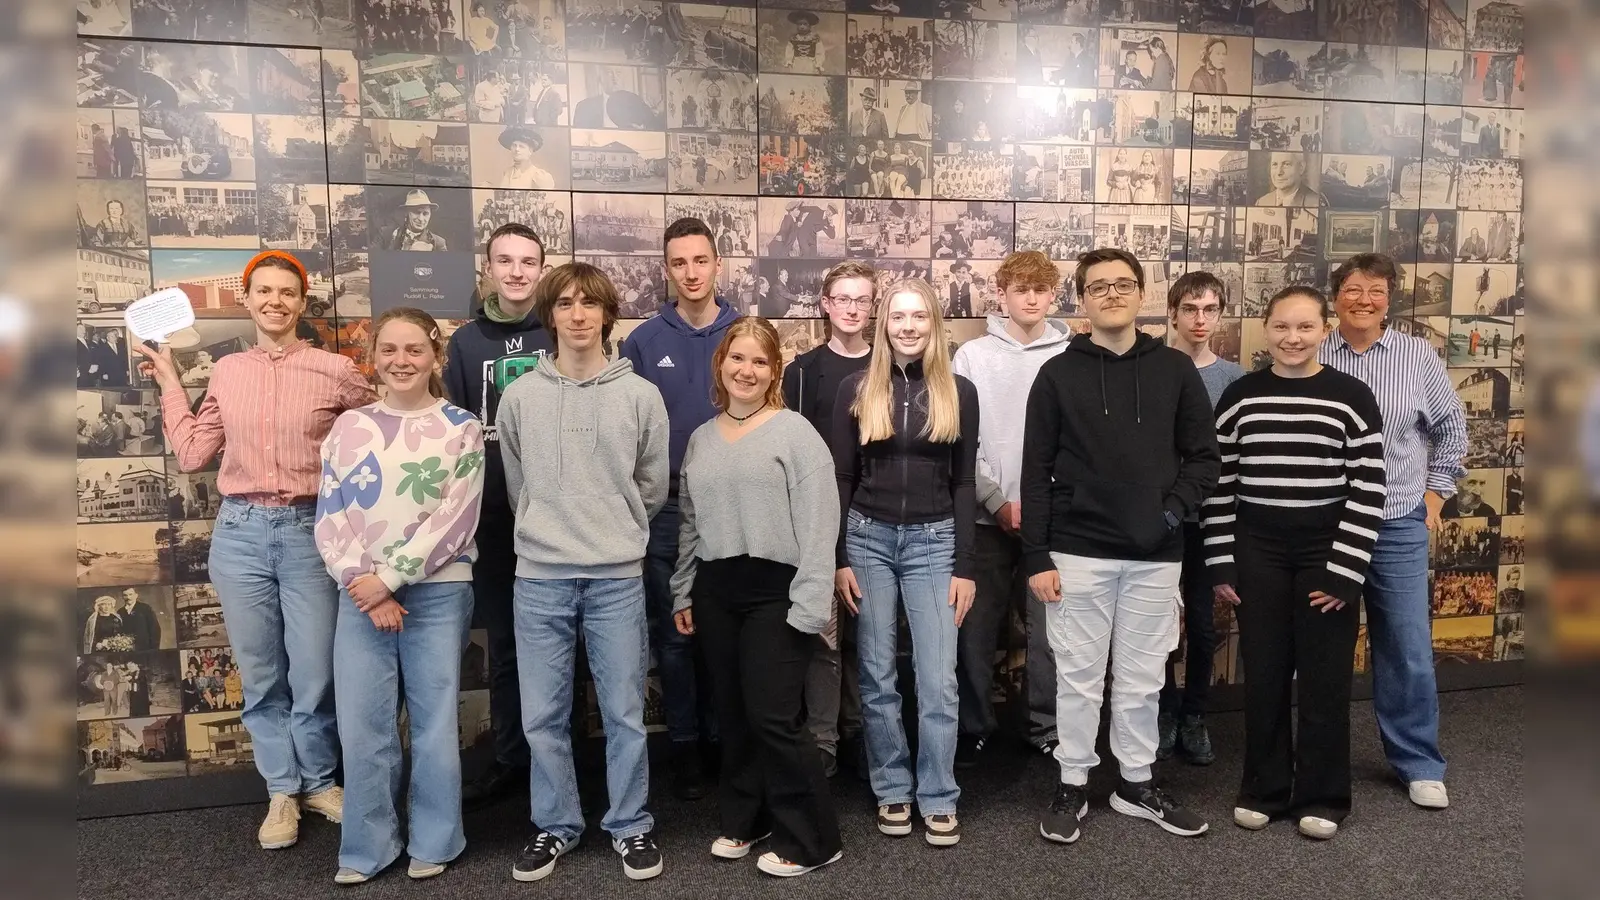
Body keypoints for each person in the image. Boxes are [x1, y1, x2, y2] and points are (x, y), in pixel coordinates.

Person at [132, 250, 377, 850]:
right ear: (247, 299)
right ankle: (281, 792)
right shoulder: (227, 371)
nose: (275, 301)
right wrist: (170, 383)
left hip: (308, 532)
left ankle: (320, 782)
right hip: (239, 535)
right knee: (264, 676)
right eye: (263, 291)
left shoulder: (335, 370)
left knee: (315, 673)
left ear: (302, 300)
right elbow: (192, 454)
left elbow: (380, 437)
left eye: (287, 292)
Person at [1022, 248, 1220, 845]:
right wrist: (1036, 556)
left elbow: (1204, 459)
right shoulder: (1057, 373)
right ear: (1081, 299)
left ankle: (1135, 783)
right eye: (1099, 286)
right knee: (1078, 677)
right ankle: (1073, 782)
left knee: (1142, 676)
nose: (1112, 294)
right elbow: (1034, 471)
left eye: (1124, 284)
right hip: (1077, 550)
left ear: (1141, 295)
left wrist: (1170, 511)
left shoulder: (1175, 371)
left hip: (1156, 552)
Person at [500, 263, 669, 884]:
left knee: (624, 712)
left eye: (590, 303)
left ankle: (630, 826)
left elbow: (650, 486)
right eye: (566, 303)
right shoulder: (520, 395)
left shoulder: (639, 395)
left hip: (616, 577)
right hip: (540, 576)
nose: (578, 314)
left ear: (606, 313)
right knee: (543, 715)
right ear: (549, 315)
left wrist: (608, 528)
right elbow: (519, 486)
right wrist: (553, 525)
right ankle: (557, 825)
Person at [1206, 285, 1386, 841]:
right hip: (1257, 546)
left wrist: (1345, 569)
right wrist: (1221, 563)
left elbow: (1369, 488)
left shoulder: (1352, 396)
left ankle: (1323, 795)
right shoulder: (1241, 396)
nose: (1292, 338)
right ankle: (1262, 788)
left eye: (1305, 327)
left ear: (1325, 331)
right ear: (1266, 329)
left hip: (1326, 547)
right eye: (1282, 326)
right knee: (1263, 672)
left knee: (1325, 677)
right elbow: (1219, 483)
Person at [317, 308, 486, 885]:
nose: (401, 361)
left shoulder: (461, 427)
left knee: (435, 722)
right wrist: (366, 585)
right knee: (364, 726)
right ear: (375, 358)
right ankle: (368, 847)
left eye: (414, 350)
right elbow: (329, 515)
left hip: (436, 594)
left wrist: (390, 580)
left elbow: (456, 519)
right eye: (389, 350)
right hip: (359, 595)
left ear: (435, 356)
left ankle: (437, 839)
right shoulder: (348, 428)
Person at [673, 318, 844, 878]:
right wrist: (684, 591)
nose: (746, 371)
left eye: (760, 362)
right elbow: (691, 523)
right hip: (717, 588)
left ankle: (814, 840)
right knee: (734, 713)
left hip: (778, 591)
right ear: (721, 363)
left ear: (774, 372)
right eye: (737, 359)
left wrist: (813, 602)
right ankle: (748, 819)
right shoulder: (701, 437)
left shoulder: (794, 433)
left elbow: (821, 524)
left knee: (775, 717)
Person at [834, 277, 978, 847]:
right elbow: (843, 476)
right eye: (898, 317)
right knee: (876, 674)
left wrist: (964, 563)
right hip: (866, 539)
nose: (909, 327)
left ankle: (938, 794)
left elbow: (964, 480)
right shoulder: (855, 386)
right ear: (883, 324)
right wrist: (841, 555)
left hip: (935, 542)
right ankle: (892, 787)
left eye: (920, 317)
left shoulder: (958, 391)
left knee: (938, 679)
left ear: (935, 324)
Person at [1320, 253, 1467, 810]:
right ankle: (1318, 758)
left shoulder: (1414, 356)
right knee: (1321, 645)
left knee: (1405, 645)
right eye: (1352, 289)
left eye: (1375, 290)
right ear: (1334, 297)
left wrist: (1434, 495)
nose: (1363, 300)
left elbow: (1452, 428)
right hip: (1325, 524)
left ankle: (1418, 762)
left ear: (1389, 298)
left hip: (1395, 519)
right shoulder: (1312, 351)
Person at [620, 217, 741, 801]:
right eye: (678, 263)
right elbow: (630, 433)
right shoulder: (643, 342)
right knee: (674, 632)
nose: (691, 273)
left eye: (700, 260)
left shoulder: (746, 331)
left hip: (733, 504)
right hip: (666, 506)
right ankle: (687, 744)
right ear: (666, 270)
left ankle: (725, 740)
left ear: (718, 263)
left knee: (725, 628)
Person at [443, 223, 553, 808]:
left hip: (554, 511)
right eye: (505, 261)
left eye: (527, 261)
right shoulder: (466, 343)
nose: (516, 271)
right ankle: (515, 757)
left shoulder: (560, 328)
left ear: (542, 267)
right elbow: (457, 434)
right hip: (491, 515)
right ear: (488, 267)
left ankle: (560, 759)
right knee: (508, 644)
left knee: (562, 642)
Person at [949, 251, 1073, 767]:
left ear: (1053, 296)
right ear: (1001, 293)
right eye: (1020, 288)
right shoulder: (972, 356)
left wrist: (1042, 504)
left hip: (1051, 523)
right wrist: (998, 502)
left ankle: (1045, 726)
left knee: (1051, 637)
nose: (1030, 298)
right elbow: (960, 441)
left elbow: (1077, 441)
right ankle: (976, 726)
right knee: (975, 633)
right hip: (985, 519)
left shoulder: (1071, 355)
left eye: (1040, 290)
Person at [782, 261, 876, 779]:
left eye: (861, 299)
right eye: (842, 298)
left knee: (866, 634)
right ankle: (823, 740)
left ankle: (859, 731)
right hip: (816, 517)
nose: (851, 308)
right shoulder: (801, 373)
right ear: (825, 304)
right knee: (822, 634)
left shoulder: (887, 366)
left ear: (872, 307)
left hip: (874, 515)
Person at [1158, 272, 1245, 765]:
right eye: (1190, 308)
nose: (1199, 319)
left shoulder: (1232, 378)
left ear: (1220, 314)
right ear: (1173, 312)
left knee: (1205, 626)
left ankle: (1195, 714)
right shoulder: (1157, 367)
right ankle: (1166, 711)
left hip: (1213, 521)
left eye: (1209, 309)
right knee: (1161, 626)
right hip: (1165, 518)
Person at [384, 190, 450, 251]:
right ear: (406, 213)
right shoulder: (387, 235)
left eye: (425, 213)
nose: (421, 219)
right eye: (416, 212)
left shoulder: (438, 243)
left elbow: (443, 263)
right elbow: (375, 260)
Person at [1255, 152, 1326, 207]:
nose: (1279, 172)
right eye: (1275, 164)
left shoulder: (1316, 202)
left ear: (1301, 167)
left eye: (1286, 164)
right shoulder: (1262, 202)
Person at [118, 587, 161, 652]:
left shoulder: (145, 608)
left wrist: (154, 648)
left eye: (130, 594)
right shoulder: (120, 612)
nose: (128, 597)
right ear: (122, 597)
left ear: (136, 595)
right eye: (125, 595)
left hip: (145, 648)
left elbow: (155, 628)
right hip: (127, 649)